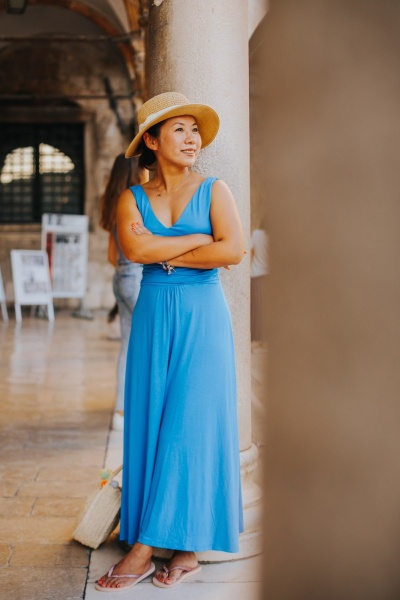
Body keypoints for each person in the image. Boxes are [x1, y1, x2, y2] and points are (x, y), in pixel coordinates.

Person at [96, 91, 244, 592]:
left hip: (204, 316)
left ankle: (148, 549)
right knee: (154, 421)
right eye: (178, 130)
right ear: (152, 142)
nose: (191, 139)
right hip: (155, 317)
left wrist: (168, 251)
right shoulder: (130, 198)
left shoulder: (215, 189)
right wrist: (199, 244)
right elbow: (135, 249)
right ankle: (180, 549)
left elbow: (235, 250)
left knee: (192, 424)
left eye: (194, 130)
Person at [99, 154, 144, 431]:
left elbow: (111, 255)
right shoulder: (135, 203)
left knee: (127, 346)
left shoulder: (114, 205)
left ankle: (121, 409)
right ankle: (139, 407)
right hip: (137, 277)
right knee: (150, 342)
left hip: (121, 277)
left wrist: (125, 272)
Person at [250, 215, 268, 346]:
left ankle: (255, 341)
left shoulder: (257, 234)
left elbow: (250, 253)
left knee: (255, 309)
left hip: (256, 276)